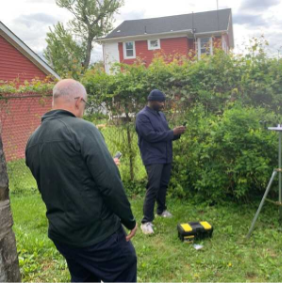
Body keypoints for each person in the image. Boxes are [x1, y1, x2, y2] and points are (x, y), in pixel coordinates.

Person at [26, 79, 138, 283]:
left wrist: (104, 166)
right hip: (97, 233)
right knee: (124, 265)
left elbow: (64, 177)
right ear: (78, 101)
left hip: (63, 234)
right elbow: (109, 183)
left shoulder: (33, 141)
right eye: (84, 104)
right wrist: (128, 219)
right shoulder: (83, 129)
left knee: (83, 276)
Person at [136, 89, 186, 235]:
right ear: (151, 101)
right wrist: (172, 133)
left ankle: (161, 210)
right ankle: (146, 221)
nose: (163, 104)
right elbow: (150, 136)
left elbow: (165, 135)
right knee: (154, 187)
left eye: (163, 101)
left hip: (165, 155)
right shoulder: (142, 117)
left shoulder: (161, 115)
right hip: (153, 157)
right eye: (161, 101)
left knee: (163, 185)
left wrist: (177, 134)